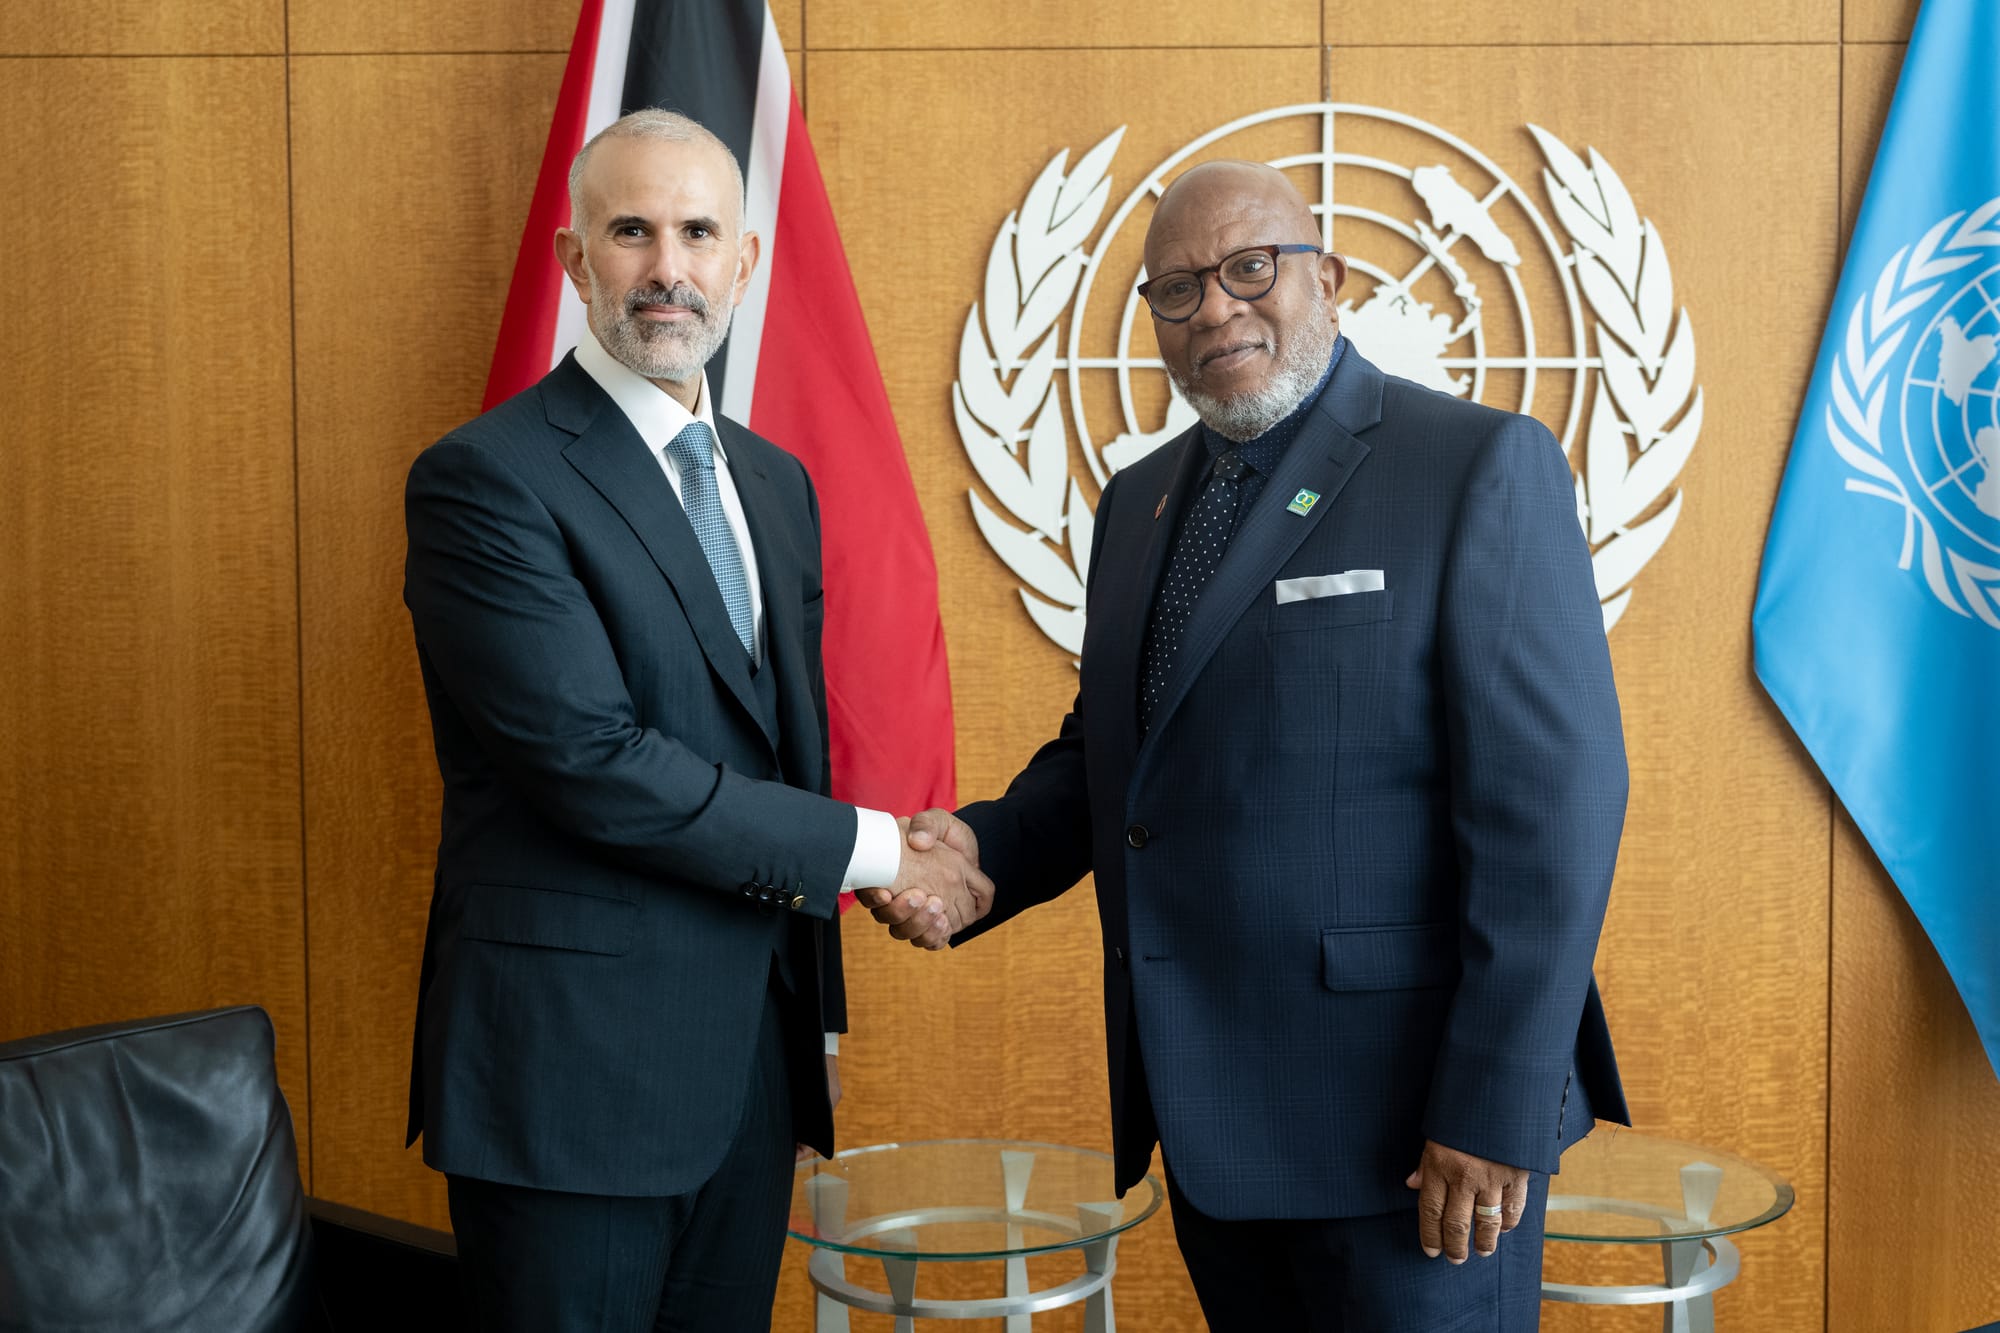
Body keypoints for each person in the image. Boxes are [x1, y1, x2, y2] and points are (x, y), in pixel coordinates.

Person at [862, 160, 1630, 1330]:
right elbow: (1114, 755)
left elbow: (1554, 809)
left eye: (1248, 268)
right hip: (1216, 1123)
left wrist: (1493, 1108)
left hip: (1413, 1144)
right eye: (1174, 290)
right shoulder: (1136, 504)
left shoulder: (1474, 465)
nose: (1214, 307)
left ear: (1328, 275)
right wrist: (975, 856)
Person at [401, 109, 985, 1332]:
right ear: (575, 261)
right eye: (631, 231)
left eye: (696, 232)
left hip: (750, 1077)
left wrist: (823, 985)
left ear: (744, 262)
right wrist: (883, 851)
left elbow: (781, 741)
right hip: (569, 1086)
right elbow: (595, 764)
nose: (666, 267)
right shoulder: (487, 479)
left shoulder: (773, 481)